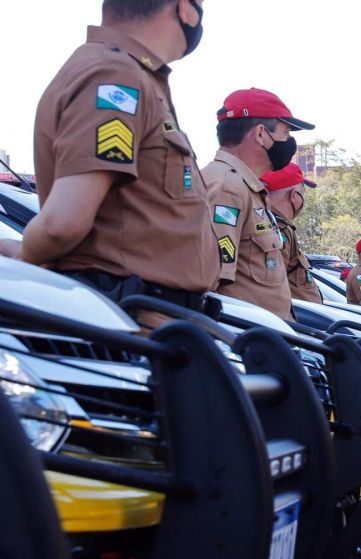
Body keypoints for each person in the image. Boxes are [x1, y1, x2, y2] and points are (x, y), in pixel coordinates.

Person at [19, 0, 218, 325]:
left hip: (150, 320)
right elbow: (61, 224)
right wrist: (26, 257)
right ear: (185, 8)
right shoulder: (114, 76)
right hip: (133, 325)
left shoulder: (129, 73)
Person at [204, 87, 314, 320]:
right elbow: (210, 283)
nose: (289, 143)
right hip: (246, 342)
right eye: (286, 133)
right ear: (261, 134)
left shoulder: (245, 187)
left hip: (266, 339)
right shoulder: (227, 187)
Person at [261, 163, 321, 305]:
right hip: (294, 322)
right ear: (294, 196)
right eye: (303, 192)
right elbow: (273, 286)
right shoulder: (278, 229)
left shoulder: (275, 224)